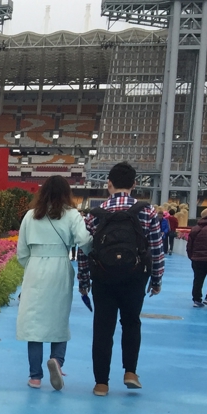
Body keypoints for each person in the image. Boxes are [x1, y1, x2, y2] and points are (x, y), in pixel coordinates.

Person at [77, 162, 165, 396]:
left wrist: (84, 282)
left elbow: (84, 251)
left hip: (103, 279)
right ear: (134, 184)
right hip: (135, 278)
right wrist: (156, 280)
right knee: (131, 322)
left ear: (109, 184)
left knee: (103, 327)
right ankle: (130, 372)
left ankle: (101, 383)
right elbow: (157, 249)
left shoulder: (95, 214)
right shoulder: (146, 211)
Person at [16, 176, 93, 390]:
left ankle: (35, 376)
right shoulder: (71, 215)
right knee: (59, 317)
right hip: (60, 266)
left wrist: (31, 265)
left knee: (34, 322)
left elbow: (21, 252)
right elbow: (85, 241)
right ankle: (57, 362)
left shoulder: (30, 216)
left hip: (34, 267)